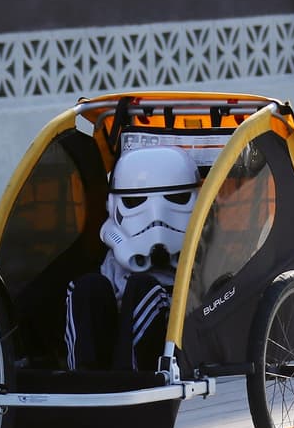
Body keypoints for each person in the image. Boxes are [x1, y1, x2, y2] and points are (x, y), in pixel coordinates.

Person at [64, 146, 200, 371]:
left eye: (176, 199)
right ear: (113, 205)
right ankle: (83, 378)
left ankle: (128, 376)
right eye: (136, 202)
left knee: (142, 287)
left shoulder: (208, 253)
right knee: (87, 287)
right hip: (113, 329)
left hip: (167, 347)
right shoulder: (111, 264)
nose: (156, 217)